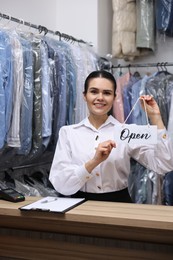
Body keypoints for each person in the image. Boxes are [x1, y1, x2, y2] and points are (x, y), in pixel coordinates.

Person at [49, 70, 173, 203]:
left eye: (107, 93)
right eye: (94, 91)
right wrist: (94, 162)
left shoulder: (126, 132)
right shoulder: (68, 133)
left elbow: (165, 165)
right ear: (84, 96)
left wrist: (155, 117)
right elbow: (61, 185)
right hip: (80, 206)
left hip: (119, 205)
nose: (100, 97)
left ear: (114, 97)